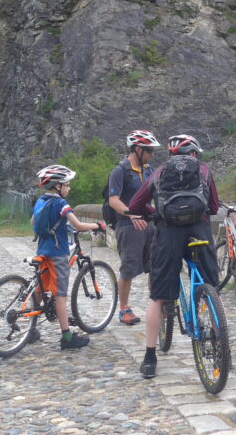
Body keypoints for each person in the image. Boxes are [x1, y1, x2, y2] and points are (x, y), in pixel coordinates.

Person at [127, 134, 220, 379]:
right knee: (210, 286)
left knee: (157, 297)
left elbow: (134, 207)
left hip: (168, 235)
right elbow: (213, 207)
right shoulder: (204, 171)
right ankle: (220, 344)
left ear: (171, 154)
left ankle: (149, 358)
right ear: (194, 153)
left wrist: (155, 211)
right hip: (199, 231)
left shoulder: (158, 173)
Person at [33, 164, 106, 350]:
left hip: (42, 250)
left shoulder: (40, 200)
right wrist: (98, 226)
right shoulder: (61, 204)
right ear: (58, 186)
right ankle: (66, 337)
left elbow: (33, 222)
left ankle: (31, 329)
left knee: (40, 290)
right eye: (67, 184)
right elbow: (79, 225)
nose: (69, 187)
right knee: (60, 295)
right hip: (58, 254)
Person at [106, 130, 160, 326]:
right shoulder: (120, 171)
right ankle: (124, 309)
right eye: (149, 151)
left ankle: (155, 303)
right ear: (138, 149)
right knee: (128, 269)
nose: (152, 154)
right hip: (128, 226)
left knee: (154, 267)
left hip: (149, 225)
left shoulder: (149, 170)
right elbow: (113, 200)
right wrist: (131, 214)